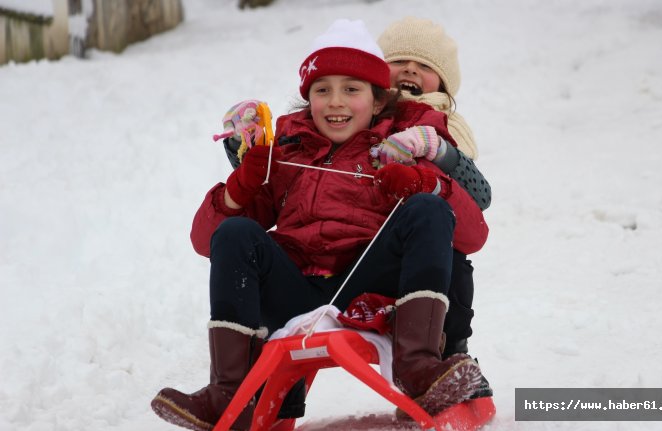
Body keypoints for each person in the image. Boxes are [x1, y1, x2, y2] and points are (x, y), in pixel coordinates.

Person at [150, 19, 489, 431]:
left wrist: (422, 182)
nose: (335, 102)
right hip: (294, 287)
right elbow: (206, 241)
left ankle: (418, 367)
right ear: (307, 98)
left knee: (428, 210)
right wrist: (241, 186)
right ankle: (229, 393)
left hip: (369, 288)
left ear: (378, 100)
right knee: (235, 233)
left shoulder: (403, 142)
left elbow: (473, 234)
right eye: (322, 90)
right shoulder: (290, 148)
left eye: (351, 89)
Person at [377, 18, 493, 383]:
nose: (410, 69)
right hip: (363, 244)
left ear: (443, 82)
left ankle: (453, 350)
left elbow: (480, 196)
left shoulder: (448, 124)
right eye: (399, 61)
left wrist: (438, 150)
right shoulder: (360, 112)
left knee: (453, 258)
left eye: (425, 65)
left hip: (422, 246)